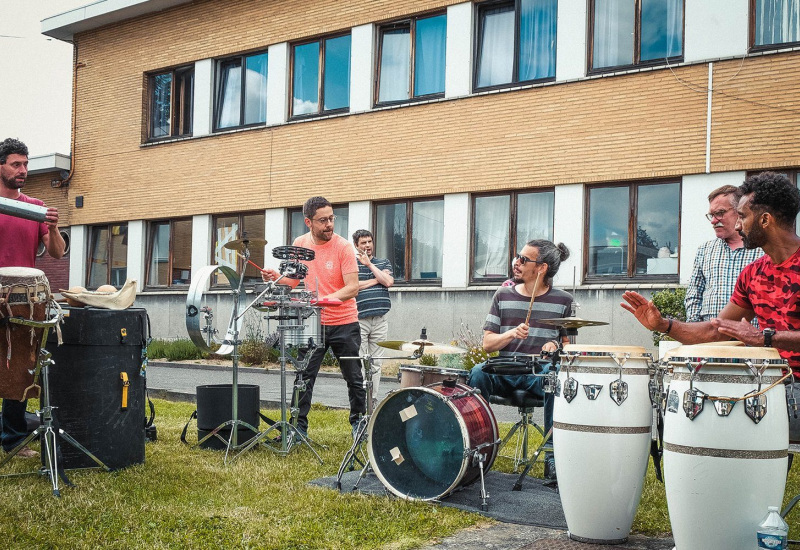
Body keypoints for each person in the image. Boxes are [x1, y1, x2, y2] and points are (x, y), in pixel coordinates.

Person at [621, 172, 800, 439]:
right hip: (768, 386)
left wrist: (764, 337)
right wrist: (664, 325)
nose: (738, 226)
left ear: (765, 220)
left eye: (743, 217)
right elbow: (715, 332)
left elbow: (760, 336)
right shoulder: (753, 274)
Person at [467, 239, 573, 480]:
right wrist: (511, 333)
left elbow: (569, 347)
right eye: (517, 256)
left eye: (524, 259)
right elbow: (487, 344)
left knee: (555, 378)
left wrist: (555, 345)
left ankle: (552, 459)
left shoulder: (563, 300)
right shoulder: (503, 294)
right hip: (505, 370)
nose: (517, 262)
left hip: (538, 374)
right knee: (477, 372)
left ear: (542, 268)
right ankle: (477, 451)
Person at [261, 197, 365, 437]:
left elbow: (352, 288)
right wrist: (276, 275)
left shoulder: (343, 247)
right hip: (312, 321)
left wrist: (323, 300)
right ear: (308, 222)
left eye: (331, 218)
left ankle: (358, 425)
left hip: (344, 322)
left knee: (355, 378)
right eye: (323, 220)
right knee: (303, 377)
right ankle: (298, 429)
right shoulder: (300, 244)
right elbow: (293, 281)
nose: (329, 224)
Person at [0, 138, 66, 458]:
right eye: (16, 164)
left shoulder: (36, 207)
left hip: (25, 298)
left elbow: (57, 252)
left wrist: (52, 228)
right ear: (1, 167)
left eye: (26, 164)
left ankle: (12, 438)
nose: (23, 170)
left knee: (20, 369)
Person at [684, 184, 763, 323]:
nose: (714, 221)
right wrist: (696, 329)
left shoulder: (762, 250)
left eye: (720, 213)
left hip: (752, 340)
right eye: (711, 215)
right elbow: (693, 294)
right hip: (712, 340)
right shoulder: (705, 250)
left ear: (740, 211)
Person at [352, 229, 393, 404]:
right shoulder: (351, 264)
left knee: (377, 362)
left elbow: (389, 282)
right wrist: (378, 278)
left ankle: (372, 399)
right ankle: (362, 401)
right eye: (363, 243)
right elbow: (353, 286)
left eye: (369, 241)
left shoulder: (383, 261)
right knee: (361, 362)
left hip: (380, 320)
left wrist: (370, 265)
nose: (368, 245)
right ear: (356, 245)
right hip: (359, 320)